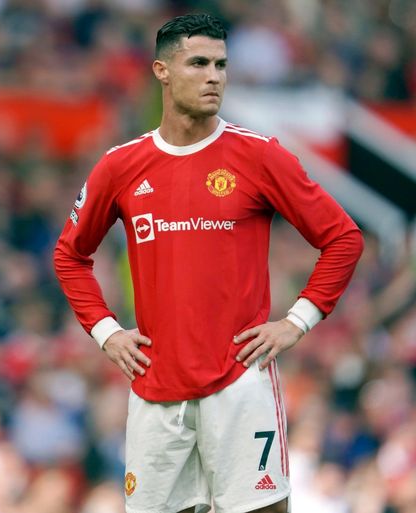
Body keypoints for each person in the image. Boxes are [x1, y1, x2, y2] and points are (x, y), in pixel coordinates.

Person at [53, 13, 364, 513]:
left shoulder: (258, 155)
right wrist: (106, 331)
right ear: (162, 71)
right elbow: (70, 255)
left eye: (221, 64)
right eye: (198, 63)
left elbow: (343, 238)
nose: (214, 75)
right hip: (156, 390)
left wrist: (297, 321)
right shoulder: (121, 166)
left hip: (240, 383)